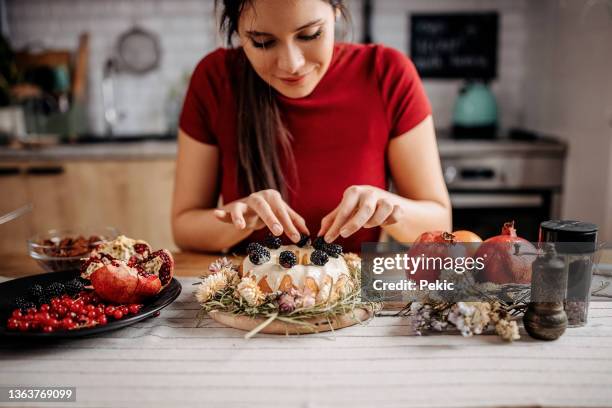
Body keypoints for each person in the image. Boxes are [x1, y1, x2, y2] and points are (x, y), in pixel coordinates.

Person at [172, 0, 451, 254]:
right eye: (262, 42)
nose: (291, 64)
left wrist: (391, 209)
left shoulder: (387, 73)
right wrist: (237, 219)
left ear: (337, 11)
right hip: (250, 297)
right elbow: (184, 228)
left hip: (354, 299)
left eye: (309, 35)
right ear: (238, 34)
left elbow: (440, 224)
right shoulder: (214, 79)